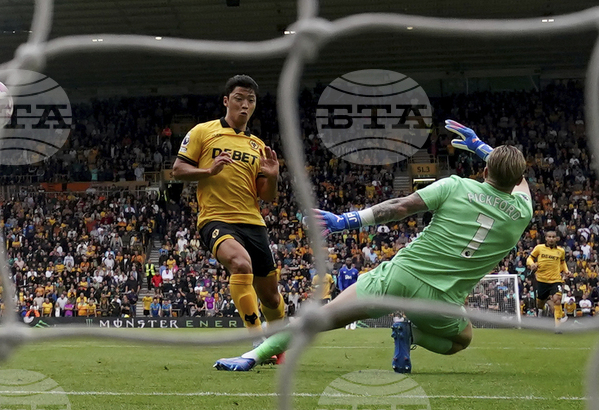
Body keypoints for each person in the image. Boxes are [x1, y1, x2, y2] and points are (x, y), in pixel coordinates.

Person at [215, 120, 531, 374]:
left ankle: (253, 355)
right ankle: (411, 334)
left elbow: (399, 206)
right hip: (441, 300)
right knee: (462, 340)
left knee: (324, 317)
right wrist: (483, 149)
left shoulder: (456, 185)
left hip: (400, 275)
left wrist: (345, 221)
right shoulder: (522, 212)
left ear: (485, 171)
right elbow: (520, 182)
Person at [172, 75, 283, 332]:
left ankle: (279, 345)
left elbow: (266, 196)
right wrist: (208, 171)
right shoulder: (203, 131)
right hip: (217, 219)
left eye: (251, 100)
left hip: (254, 223)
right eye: (239, 99)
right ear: (226, 101)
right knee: (240, 264)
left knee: (271, 297)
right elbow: (178, 170)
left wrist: (274, 177)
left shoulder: (258, 146)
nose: (245, 105)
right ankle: (256, 339)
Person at [526, 230, 568, 320]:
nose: (551, 239)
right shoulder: (539, 248)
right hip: (542, 280)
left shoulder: (561, 251)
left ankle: (558, 327)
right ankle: (542, 309)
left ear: (556, 239)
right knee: (540, 303)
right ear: (546, 238)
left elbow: (562, 262)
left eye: (553, 237)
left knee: (557, 299)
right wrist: (532, 264)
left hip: (556, 280)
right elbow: (529, 258)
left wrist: (566, 271)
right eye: (549, 237)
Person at [337, 260, 360, 329]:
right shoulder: (342, 270)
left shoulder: (355, 271)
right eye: (347, 261)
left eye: (350, 261)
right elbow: (340, 280)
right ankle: (346, 323)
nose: (348, 262)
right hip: (345, 291)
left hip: (353, 291)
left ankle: (353, 322)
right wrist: (341, 289)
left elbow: (358, 281)